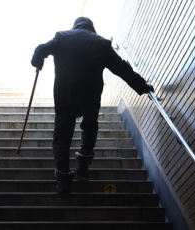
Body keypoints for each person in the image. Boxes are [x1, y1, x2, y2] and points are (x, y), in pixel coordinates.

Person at [31, 17, 153, 194]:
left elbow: (40, 49)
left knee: (62, 135)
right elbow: (122, 69)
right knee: (89, 126)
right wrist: (143, 87)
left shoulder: (61, 37)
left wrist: (38, 61)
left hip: (65, 93)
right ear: (91, 29)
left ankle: (63, 179)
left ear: (75, 26)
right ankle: (82, 165)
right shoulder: (101, 44)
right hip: (90, 93)